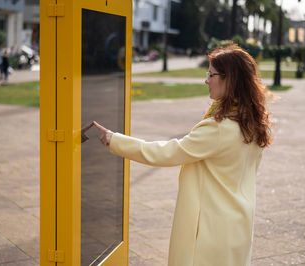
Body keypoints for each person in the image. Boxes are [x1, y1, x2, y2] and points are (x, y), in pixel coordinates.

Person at [93, 44, 272, 266]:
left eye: (211, 74)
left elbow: (167, 153)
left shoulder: (219, 128)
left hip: (210, 230)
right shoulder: (253, 124)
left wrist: (116, 140)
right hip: (238, 224)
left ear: (230, 79)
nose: (206, 80)